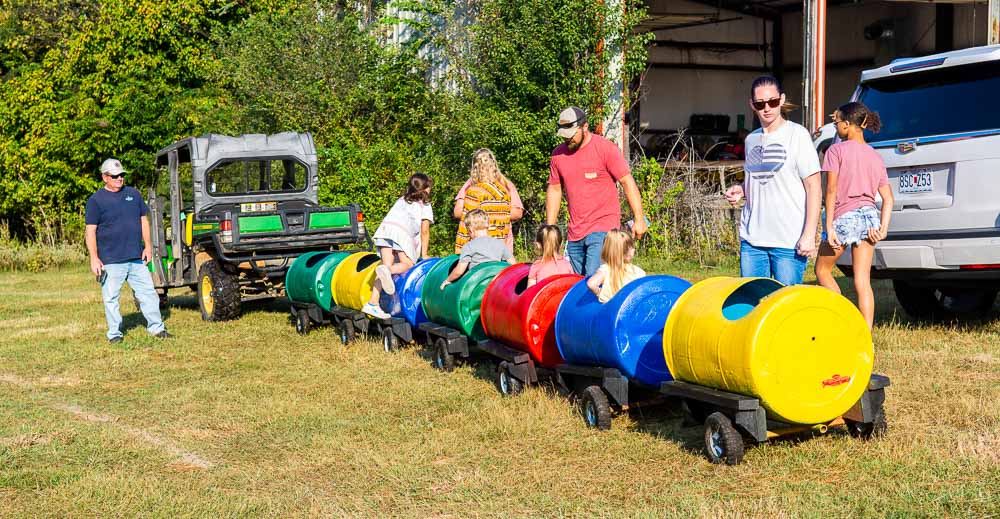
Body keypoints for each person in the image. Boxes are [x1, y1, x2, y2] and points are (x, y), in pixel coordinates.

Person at [724, 76, 822, 286]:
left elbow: (814, 187)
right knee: (752, 305)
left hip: (788, 240)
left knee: (785, 307)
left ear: (782, 99)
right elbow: (759, 180)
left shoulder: (798, 135)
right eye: (760, 104)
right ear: (752, 105)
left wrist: (809, 234)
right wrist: (741, 190)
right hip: (752, 240)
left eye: (773, 102)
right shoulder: (751, 140)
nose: (767, 108)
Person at [815, 102, 893, 329]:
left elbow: (830, 190)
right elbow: (888, 198)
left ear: (847, 125)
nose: (835, 125)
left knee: (822, 270)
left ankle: (843, 321)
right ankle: (865, 336)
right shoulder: (875, 156)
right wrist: (884, 228)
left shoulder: (835, 150)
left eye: (836, 122)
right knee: (862, 280)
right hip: (870, 218)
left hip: (844, 216)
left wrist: (829, 227)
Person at [546, 106, 647, 277]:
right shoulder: (558, 155)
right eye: (564, 136)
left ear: (584, 127)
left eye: (571, 135)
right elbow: (555, 190)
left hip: (603, 228)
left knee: (593, 280)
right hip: (574, 232)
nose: (567, 140)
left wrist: (639, 219)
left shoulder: (605, 149)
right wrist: (550, 229)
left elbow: (627, 181)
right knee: (576, 285)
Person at [85, 158, 171, 343]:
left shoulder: (134, 194)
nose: (119, 178)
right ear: (104, 177)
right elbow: (90, 231)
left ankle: (157, 329)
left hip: (136, 257)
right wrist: (94, 258)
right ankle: (115, 334)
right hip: (111, 259)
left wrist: (147, 246)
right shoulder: (95, 201)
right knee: (111, 298)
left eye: (121, 175)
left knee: (148, 293)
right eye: (115, 176)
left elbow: (143, 221)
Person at [362, 173, 434, 319]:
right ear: (425, 189)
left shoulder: (402, 200)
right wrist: (424, 254)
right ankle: (387, 270)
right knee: (407, 264)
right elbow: (424, 231)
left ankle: (372, 303)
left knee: (385, 268)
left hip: (384, 231)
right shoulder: (424, 205)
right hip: (400, 234)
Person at [453, 148, 523, 254]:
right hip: (500, 249)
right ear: (494, 165)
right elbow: (457, 211)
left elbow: (464, 223)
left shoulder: (474, 190)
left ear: (474, 168)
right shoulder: (503, 190)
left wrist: (459, 251)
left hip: (477, 251)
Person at [440, 210, 516, 290]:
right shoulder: (499, 243)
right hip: (496, 284)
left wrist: (447, 280)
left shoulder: (469, 246)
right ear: (488, 226)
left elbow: (459, 271)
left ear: (471, 230)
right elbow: (514, 265)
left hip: (476, 285)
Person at [586, 229, 646, 303]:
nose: (634, 249)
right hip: (629, 308)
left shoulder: (606, 269)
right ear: (628, 251)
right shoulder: (638, 271)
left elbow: (591, 284)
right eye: (632, 247)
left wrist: (599, 293)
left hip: (610, 309)